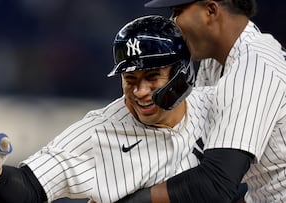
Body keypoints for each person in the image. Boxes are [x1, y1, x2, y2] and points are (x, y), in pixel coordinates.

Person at [0, 15, 216, 203]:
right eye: (131, 79)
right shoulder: (97, 133)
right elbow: (28, 188)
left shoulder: (217, 106)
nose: (140, 91)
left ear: (182, 74)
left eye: (152, 77)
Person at [117, 0, 286, 202]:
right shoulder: (216, 60)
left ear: (210, 10)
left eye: (177, 12)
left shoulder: (254, 67)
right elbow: (192, 147)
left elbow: (216, 184)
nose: (173, 24)